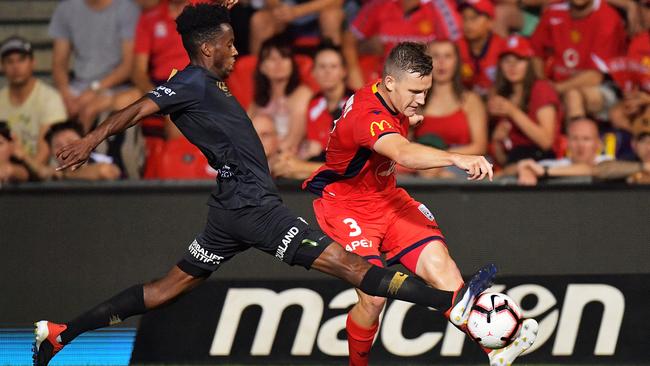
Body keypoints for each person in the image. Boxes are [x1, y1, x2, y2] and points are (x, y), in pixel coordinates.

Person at [33, 4, 498, 365]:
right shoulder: (191, 83)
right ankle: (453, 303)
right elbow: (135, 110)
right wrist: (91, 136)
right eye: (230, 44)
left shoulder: (198, 73)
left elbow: (201, 32)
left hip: (229, 210)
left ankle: (60, 333)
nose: (238, 51)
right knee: (357, 271)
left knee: (164, 290)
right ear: (209, 51)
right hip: (255, 209)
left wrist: (221, 12)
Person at [303, 42, 538, 366]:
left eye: (426, 91)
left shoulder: (393, 100)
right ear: (389, 82)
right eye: (415, 91)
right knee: (372, 299)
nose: (421, 99)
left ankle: (496, 348)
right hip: (347, 207)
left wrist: (408, 114)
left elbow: (392, 135)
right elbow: (403, 154)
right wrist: (456, 157)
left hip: (389, 200)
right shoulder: (367, 115)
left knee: (446, 276)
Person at [48, 0, 141, 132]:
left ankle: (80, 151)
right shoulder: (66, 8)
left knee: (88, 110)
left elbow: (128, 67)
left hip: (116, 86)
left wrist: (94, 90)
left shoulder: (127, 8)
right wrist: (66, 95)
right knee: (49, 107)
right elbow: (58, 63)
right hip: (77, 86)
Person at [530, 0, 626, 122]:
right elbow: (535, 53)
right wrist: (542, 82)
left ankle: (575, 139)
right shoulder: (554, 11)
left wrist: (554, 89)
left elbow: (596, 76)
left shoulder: (608, 17)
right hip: (555, 84)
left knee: (572, 96)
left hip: (603, 87)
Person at [343, 0, 463, 89]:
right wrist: (354, 72)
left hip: (426, 87)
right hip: (385, 84)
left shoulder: (439, 6)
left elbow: (456, 45)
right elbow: (349, 39)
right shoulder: (379, 5)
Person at [415, 39, 487, 179]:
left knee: (445, 175)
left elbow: (480, 146)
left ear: (457, 62)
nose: (442, 62)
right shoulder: (416, 101)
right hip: (424, 166)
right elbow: (405, 143)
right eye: (436, 56)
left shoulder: (470, 100)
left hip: (462, 166)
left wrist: (441, 159)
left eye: (448, 56)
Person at [488, 35, 562, 169]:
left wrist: (512, 112)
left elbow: (546, 141)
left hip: (541, 162)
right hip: (513, 163)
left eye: (519, 60)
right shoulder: (501, 94)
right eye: (507, 61)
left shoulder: (541, 88)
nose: (512, 66)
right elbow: (503, 160)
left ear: (529, 63)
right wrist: (497, 142)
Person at [0, 36, 67, 166]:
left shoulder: (50, 99)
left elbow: (43, 156)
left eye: (21, 60)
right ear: (2, 66)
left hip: (44, 181)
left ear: (33, 63)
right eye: (10, 61)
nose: (16, 66)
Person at [248, 35, 314, 154]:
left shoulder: (302, 94)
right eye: (272, 59)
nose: (279, 63)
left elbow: (293, 141)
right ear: (262, 67)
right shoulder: (257, 102)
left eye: (284, 57)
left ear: (292, 64)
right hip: (259, 160)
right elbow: (243, 137)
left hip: (290, 160)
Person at [516, 118, 611, 185]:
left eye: (586, 139)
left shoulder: (609, 161)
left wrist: (545, 172)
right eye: (575, 139)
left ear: (598, 143)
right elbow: (508, 170)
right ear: (567, 142)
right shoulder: (556, 164)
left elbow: (592, 170)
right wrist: (525, 168)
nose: (580, 145)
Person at [303, 42, 353, 161]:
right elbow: (313, 147)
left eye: (333, 66)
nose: (327, 72)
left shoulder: (356, 103)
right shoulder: (313, 104)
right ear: (313, 72)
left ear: (344, 72)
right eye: (322, 66)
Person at [248, 0, 345, 56]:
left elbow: (337, 1)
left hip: (318, 11)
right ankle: (256, 74)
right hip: (286, 12)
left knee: (332, 16)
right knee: (259, 20)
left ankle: (333, 68)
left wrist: (297, 12)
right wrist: (279, 8)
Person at [456, 0, 507, 97]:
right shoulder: (455, 48)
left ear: (490, 22)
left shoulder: (503, 48)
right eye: (464, 18)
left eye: (474, 18)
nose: (468, 23)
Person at [593, 111, 650, 183]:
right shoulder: (629, 161)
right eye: (643, 141)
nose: (649, 147)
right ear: (634, 144)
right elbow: (600, 170)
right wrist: (644, 167)